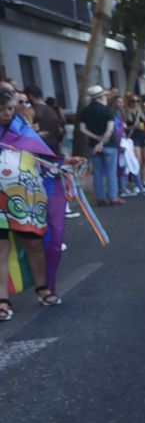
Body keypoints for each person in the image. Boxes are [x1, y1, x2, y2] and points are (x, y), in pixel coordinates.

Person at [0, 86, 56, 317]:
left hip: (26, 196)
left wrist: (62, 166)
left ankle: (42, 287)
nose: (7, 113)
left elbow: (45, 158)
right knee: (0, 248)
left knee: (34, 243)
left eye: (10, 108)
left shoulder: (23, 130)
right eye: (2, 109)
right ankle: (2, 300)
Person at [78, 85, 120, 207]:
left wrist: (95, 138)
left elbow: (82, 129)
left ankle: (100, 198)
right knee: (111, 172)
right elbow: (110, 129)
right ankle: (113, 197)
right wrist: (102, 141)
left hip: (93, 145)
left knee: (97, 173)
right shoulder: (107, 110)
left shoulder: (85, 111)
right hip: (109, 145)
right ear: (101, 97)